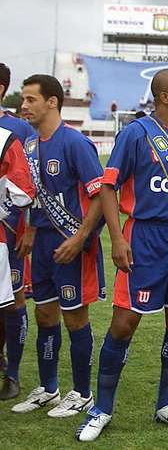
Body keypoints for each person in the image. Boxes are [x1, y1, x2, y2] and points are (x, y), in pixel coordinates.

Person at [76, 68, 168, 442]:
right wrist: (118, 239)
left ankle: (166, 403)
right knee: (124, 323)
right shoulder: (135, 134)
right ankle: (101, 408)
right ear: (164, 97)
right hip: (144, 240)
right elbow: (108, 187)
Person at [12, 74, 106, 417]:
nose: (24, 106)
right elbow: (36, 196)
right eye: (23, 99)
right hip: (43, 245)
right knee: (44, 313)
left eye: (31, 99)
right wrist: (32, 231)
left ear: (52, 102)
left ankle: (82, 393)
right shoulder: (31, 147)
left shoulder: (75, 143)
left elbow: (99, 195)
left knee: (74, 317)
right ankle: (48, 388)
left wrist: (79, 237)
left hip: (73, 245)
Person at [0, 62, 37, 401]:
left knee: (12, 300)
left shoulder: (17, 131)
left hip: (10, 231)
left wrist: (29, 230)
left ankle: (12, 374)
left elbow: (30, 185)